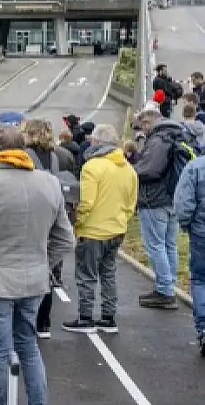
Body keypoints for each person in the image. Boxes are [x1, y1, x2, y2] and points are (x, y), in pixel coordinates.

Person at [0, 124, 75, 405]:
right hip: (34, 280)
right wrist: (44, 265)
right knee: (28, 345)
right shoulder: (49, 183)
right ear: (24, 149)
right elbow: (65, 239)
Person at [61, 124, 137, 335]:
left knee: (86, 274)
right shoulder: (128, 169)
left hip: (93, 230)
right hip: (117, 228)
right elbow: (131, 203)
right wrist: (121, 219)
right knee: (109, 273)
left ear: (97, 142)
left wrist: (78, 222)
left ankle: (85, 318)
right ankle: (108, 317)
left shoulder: (92, 167)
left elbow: (86, 202)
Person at [20, 117, 77, 338]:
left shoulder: (24, 155)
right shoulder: (60, 156)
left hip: (33, 210)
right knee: (48, 271)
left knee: (31, 265)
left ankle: (30, 319)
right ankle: (44, 321)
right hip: (55, 208)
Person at [133, 108, 184, 309]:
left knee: (156, 245)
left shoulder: (158, 140)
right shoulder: (176, 135)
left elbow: (150, 170)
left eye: (141, 126)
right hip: (173, 198)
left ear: (148, 123)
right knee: (170, 245)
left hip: (155, 199)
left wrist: (132, 170)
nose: (142, 131)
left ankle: (164, 290)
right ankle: (169, 285)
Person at [174, 137, 205, 356]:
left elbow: (183, 203)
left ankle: (204, 327)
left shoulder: (195, 168)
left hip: (201, 233)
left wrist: (187, 225)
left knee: (201, 279)